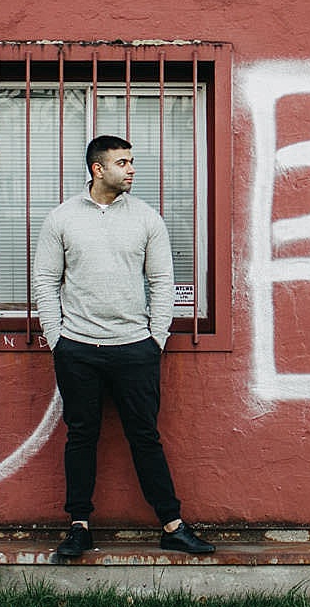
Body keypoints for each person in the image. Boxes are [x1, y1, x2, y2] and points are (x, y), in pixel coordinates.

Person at [34, 134, 215, 561]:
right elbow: (45, 281)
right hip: (77, 348)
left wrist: (156, 337)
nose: (131, 169)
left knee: (145, 436)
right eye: (123, 163)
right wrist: (57, 337)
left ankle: (172, 525)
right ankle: (78, 527)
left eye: (131, 162)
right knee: (81, 437)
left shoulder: (147, 219)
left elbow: (162, 282)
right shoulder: (61, 220)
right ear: (98, 169)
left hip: (135, 348)